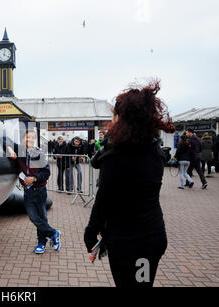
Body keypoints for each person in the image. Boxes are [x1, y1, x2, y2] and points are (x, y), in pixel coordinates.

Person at [84, 80, 175, 287]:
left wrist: (90, 234)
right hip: (150, 236)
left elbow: (103, 200)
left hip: (131, 242)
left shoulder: (116, 156)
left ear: (121, 119)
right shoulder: (154, 152)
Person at [5, 129, 61, 254]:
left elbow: (46, 172)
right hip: (28, 192)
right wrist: (10, 149)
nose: (29, 140)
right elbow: (4, 138)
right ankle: (54, 233)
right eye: (27, 137)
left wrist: (34, 178)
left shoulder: (39, 154)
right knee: (33, 217)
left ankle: (41, 243)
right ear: (23, 138)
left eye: (32, 138)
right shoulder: (19, 150)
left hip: (40, 190)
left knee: (42, 218)